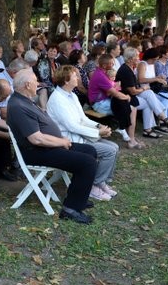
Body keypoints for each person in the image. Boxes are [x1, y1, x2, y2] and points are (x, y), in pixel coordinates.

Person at [7, 69, 98, 224]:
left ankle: (77, 197)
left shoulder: (25, 100)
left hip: (47, 147)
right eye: (36, 80)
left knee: (90, 151)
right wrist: (61, 142)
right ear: (28, 84)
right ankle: (70, 209)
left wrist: (59, 139)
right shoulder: (17, 105)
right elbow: (36, 139)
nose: (38, 83)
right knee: (87, 163)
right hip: (36, 151)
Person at [47, 66, 119, 201]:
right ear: (67, 80)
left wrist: (99, 125)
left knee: (114, 147)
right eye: (75, 76)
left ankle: (100, 182)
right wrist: (98, 132)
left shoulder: (71, 95)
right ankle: (92, 186)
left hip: (81, 136)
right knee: (109, 151)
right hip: (70, 141)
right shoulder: (57, 99)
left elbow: (83, 119)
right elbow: (72, 126)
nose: (78, 78)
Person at [88, 54, 141, 149]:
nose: (113, 64)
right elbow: (114, 93)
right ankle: (128, 137)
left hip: (105, 100)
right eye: (111, 63)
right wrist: (126, 97)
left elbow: (112, 91)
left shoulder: (103, 72)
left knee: (128, 106)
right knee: (130, 108)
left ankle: (127, 133)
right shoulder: (100, 75)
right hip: (99, 104)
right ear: (104, 65)